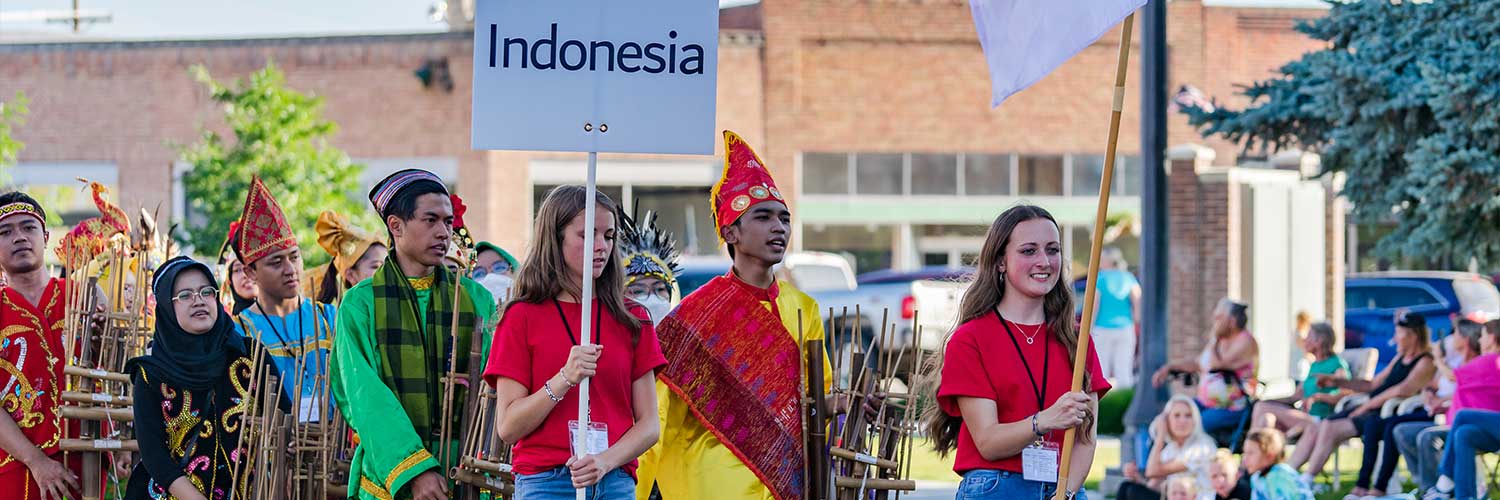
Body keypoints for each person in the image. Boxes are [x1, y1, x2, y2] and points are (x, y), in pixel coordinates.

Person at [640, 131, 833, 500]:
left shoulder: (803, 308)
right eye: (763, 217)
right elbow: (660, 414)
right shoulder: (695, 315)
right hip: (712, 484)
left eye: (784, 218)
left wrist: (845, 404)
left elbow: (815, 398)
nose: (779, 227)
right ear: (730, 232)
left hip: (786, 484)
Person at [485, 186, 666, 499]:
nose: (601, 247)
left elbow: (649, 424)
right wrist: (564, 378)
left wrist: (604, 461)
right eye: (587, 235)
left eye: (609, 236)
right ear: (555, 238)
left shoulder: (633, 318)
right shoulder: (521, 316)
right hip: (546, 483)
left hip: (614, 481)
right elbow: (509, 426)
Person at [329, 169, 496, 500]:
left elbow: (493, 388)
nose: (444, 232)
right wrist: (415, 470)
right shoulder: (361, 304)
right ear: (396, 225)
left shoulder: (477, 299)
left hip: (465, 473)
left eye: (448, 222)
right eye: (430, 220)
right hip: (389, 477)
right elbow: (363, 395)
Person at [924, 204, 1110, 500]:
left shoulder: (1076, 340)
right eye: (1028, 251)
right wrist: (1044, 420)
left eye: (1052, 250)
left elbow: (1086, 439)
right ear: (1001, 261)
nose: (1044, 261)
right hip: (997, 487)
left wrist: (1066, 493)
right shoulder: (970, 340)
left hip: (1063, 488)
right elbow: (988, 442)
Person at [123, 256, 287, 500]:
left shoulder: (250, 355)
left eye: (206, 292)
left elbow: (284, 418)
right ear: (166, 307)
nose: (198, 300)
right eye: (185, 295)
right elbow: (154, 456)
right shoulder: (150, 375)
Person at [1287, 310, 1436, 495]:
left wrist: (1367, 405)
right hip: (1371, 407)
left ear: (1413, 336)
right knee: (1325, 424)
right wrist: (1337, 382)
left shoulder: (1425, 361)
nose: (1395, 338)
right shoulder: (1399, 358)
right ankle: (1300, 477)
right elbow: (1372, 384)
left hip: (1388, 412)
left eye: (1398, 333)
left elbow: (1403, 389)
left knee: (1343, 427)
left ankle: (1318, 481)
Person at [229, 178, 338, 422]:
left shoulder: (329, 318)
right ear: (250, 272)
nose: (290, 269)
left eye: (294, 257)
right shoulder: (240, 331)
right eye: (276, 262)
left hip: (334, 442)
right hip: (271, 444)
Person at [0, 192, 83, 500]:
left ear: (46, 237)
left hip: (85, 459)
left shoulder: (83, 298)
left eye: (28, 227)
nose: (19, 237)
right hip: (14, 465)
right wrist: (35, 461)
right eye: (5, 232)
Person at [612, 209, 682, 500]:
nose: (651, 298)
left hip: (677, 475)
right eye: (638, 290)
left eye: (659, 289)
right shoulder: (606, 344)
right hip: (621, 473)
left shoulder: (689, 347)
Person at [1394, 319, 1492, 493]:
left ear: (1491, 338)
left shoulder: (1486, 362)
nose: (1480, 340)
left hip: (1475, 426)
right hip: (1453, 421)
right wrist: (1441, 402)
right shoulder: (1473, 363)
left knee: (1433, 434)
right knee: (1402, 431)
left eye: (1455, 333)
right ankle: (1433, 488)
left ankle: (1441, 486)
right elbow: (1468, 393)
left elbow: (1454, 377)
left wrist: (1438, 359)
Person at [1152, 298, 1259, 435]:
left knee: (1190, 425)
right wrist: (1169, 367)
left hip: (1232, 408)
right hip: (1204, 403)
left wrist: (1216, 337)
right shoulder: (1219, 340)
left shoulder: (1245, 341)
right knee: (1165, 420)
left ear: (1231, 321)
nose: (1214, 321)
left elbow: (1216, 365)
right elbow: (1198, 363)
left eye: (1219, 317)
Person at [1250, 322, 1349, 437]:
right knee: (1266, 418)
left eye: (1309, 336)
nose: (1304, 340)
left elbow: (1346, 393)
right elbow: (1295, 397)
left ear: (1319, 341)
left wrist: (1318, 397)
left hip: (1320, 420)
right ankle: (1257, 447)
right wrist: (1267, 400)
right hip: (1304, 416)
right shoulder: (1314, 365)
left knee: (1261, 408)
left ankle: (1249, 445)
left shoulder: (1337, 364)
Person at [1115, 395, 1217, 500]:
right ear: (1167, 421)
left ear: (1195, 420)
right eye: (1177, 416)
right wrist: (1138, 479)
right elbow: (1153, 484)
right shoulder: (1171, 449)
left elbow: (1152, 471)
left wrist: (1160, 437)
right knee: (1126, 486)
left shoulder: (1203, 446)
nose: (1182, 421)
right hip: (1175, 497)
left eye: (1188, 416)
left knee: (1133, 491)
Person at [307, 210, 387, 305]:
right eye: (375, 266)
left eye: (388, 266)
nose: (385, 272)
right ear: (351, 275)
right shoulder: (346, 311)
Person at [1091, 246, 1141, 388]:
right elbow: (1138, 300)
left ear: (1108, 261)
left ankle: (1103, 400)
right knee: (1124, 370)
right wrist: (1136, 320)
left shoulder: (1100, 279)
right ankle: (1126, 400)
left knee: (1102, 370)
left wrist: (1089, 328)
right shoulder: (1128, 277)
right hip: (1125, 328)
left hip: (1102, 329)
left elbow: (1094, 305)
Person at [1242, 429, 1312, 500]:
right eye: (1245, 452)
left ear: (1270, 456)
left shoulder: (1280, 476)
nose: (1245, 458)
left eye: (1250, 453)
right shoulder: (1256, 478)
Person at [217, 223, 258, 316]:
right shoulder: (228, 322)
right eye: (238, 270)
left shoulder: (284, 313)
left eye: (251, 266)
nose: (245, 275)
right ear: (229, 280)